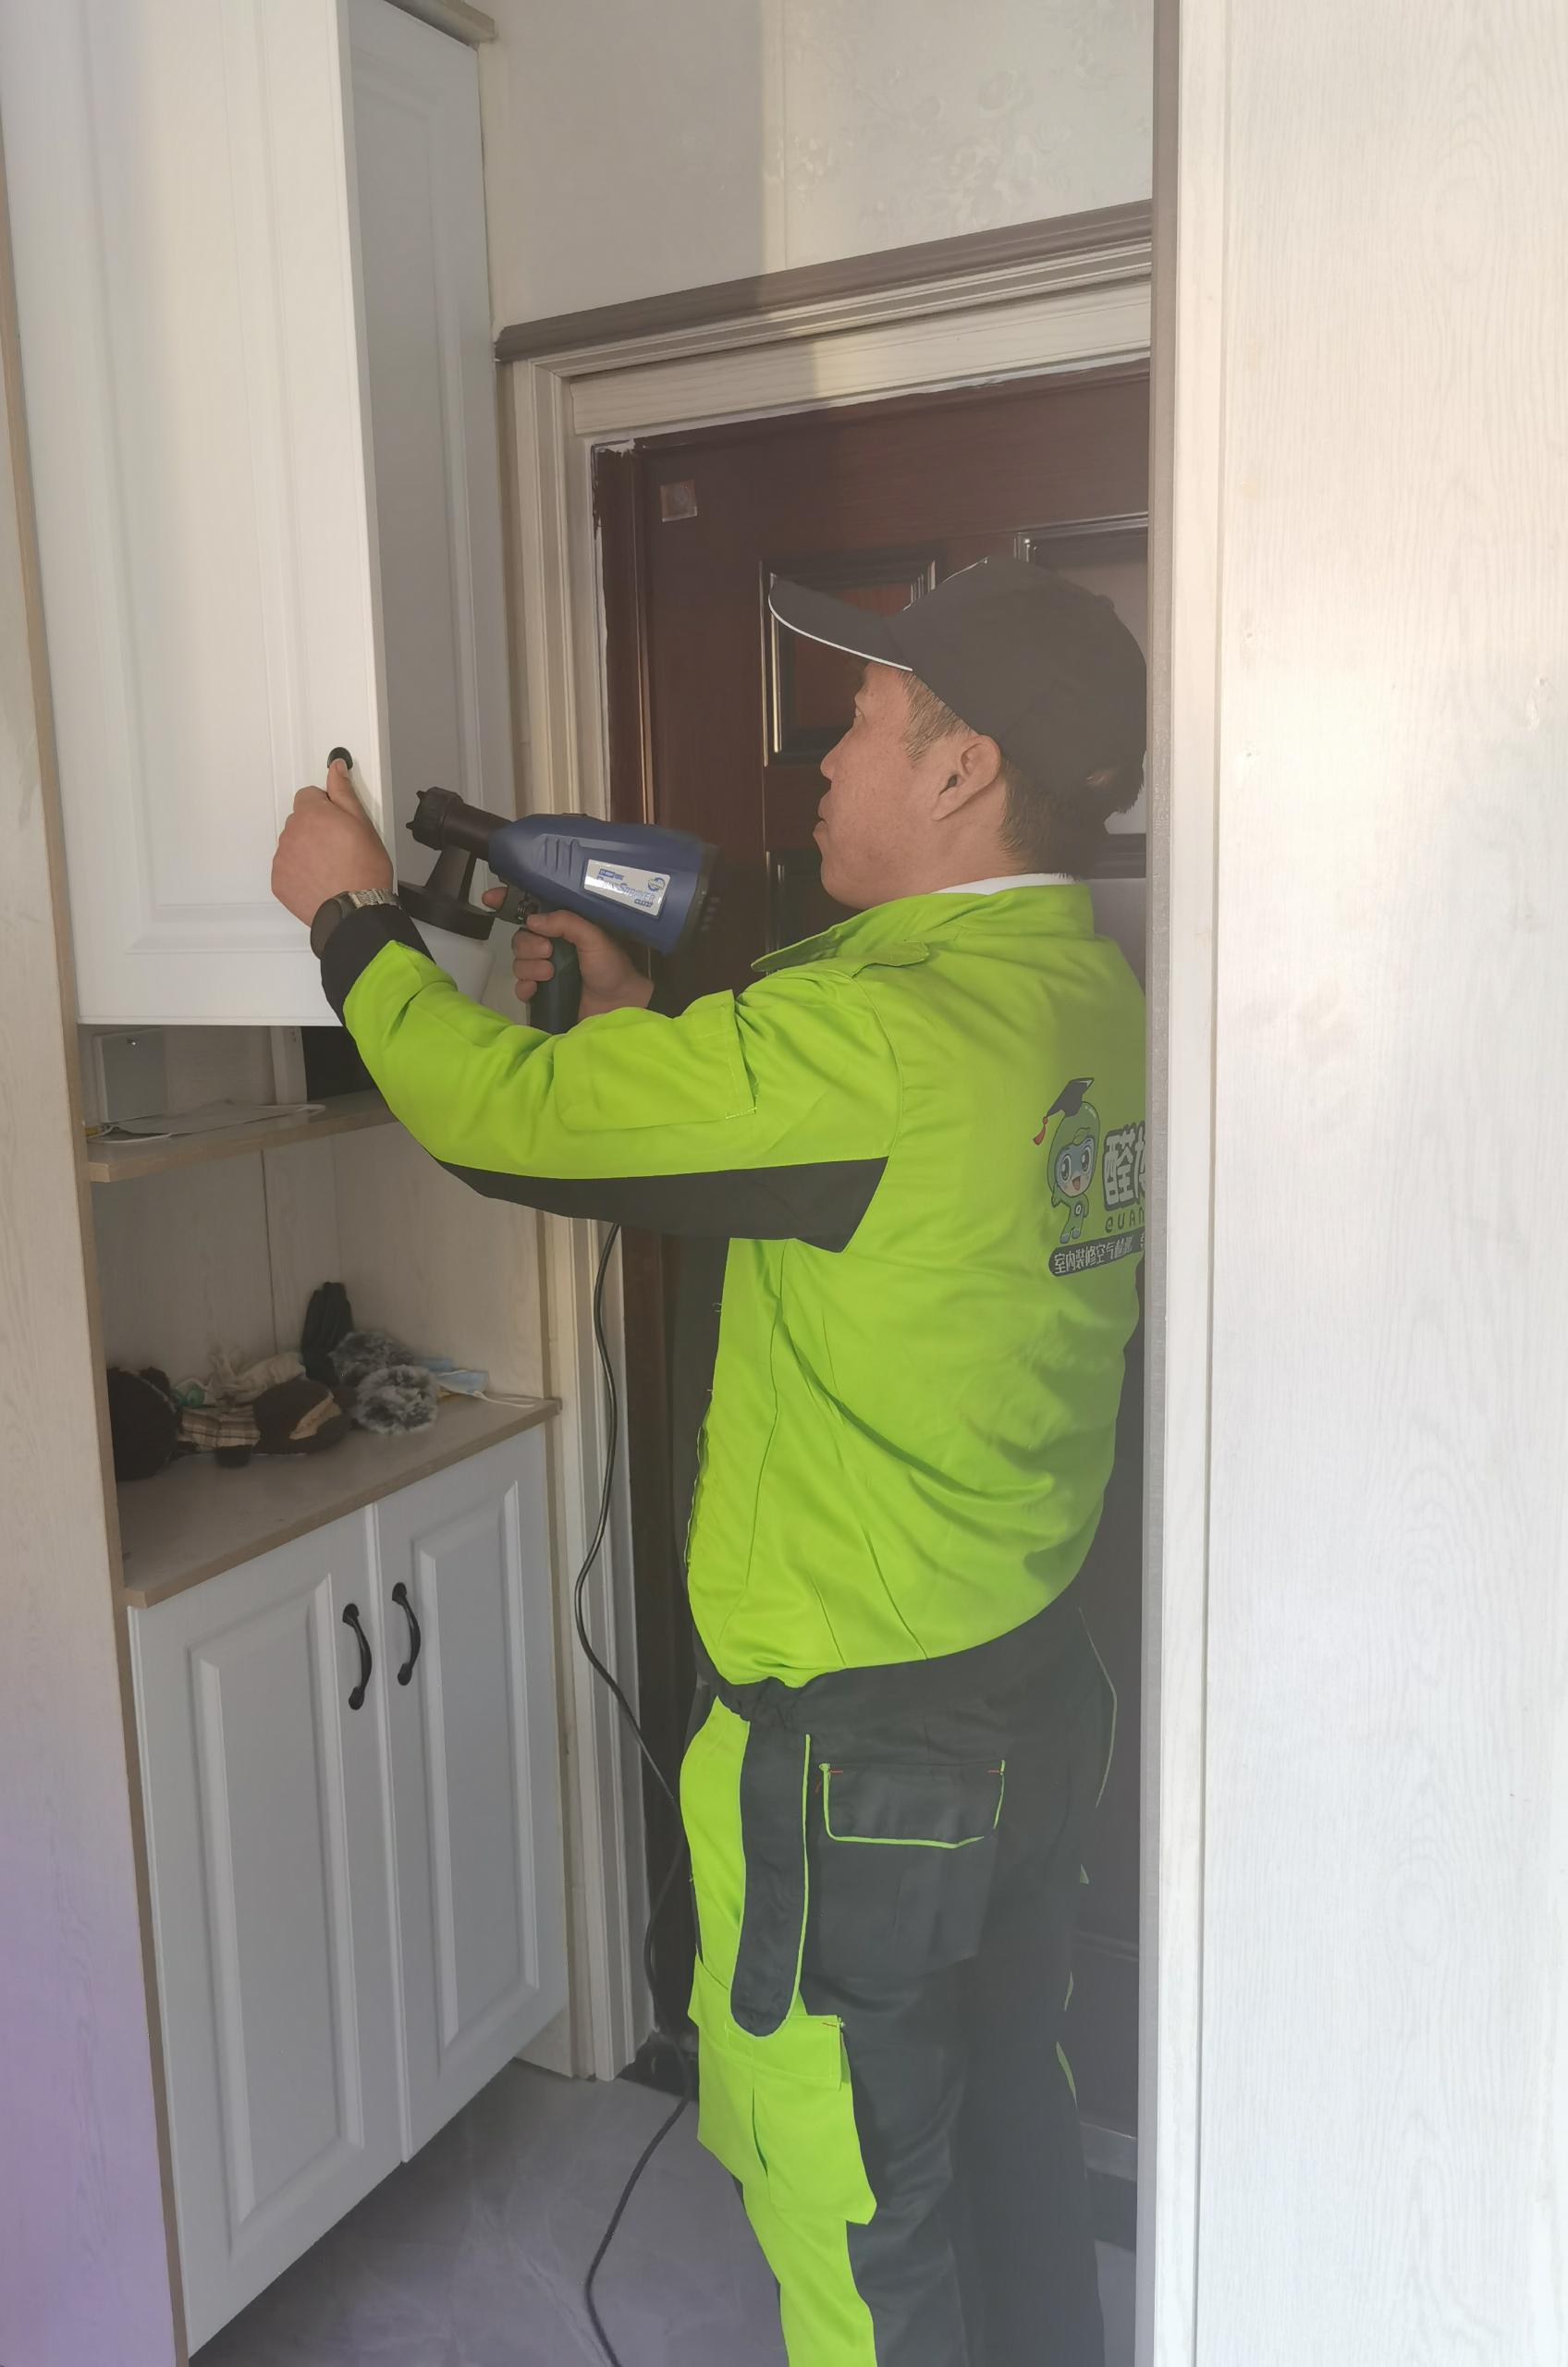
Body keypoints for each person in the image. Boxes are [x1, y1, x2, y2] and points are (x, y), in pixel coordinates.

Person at [272, 556, 1147, 2366]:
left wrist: (351, 921)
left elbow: (497, 1114)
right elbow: (829, 1174)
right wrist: (631, 1023)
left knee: (856, 2214)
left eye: (860, 723)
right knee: (1005, 2131)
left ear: (965, 769)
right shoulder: (1082, 992)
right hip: (1025, 1692)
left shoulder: (878, 1037)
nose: (822, 758)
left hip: (863, 1764)